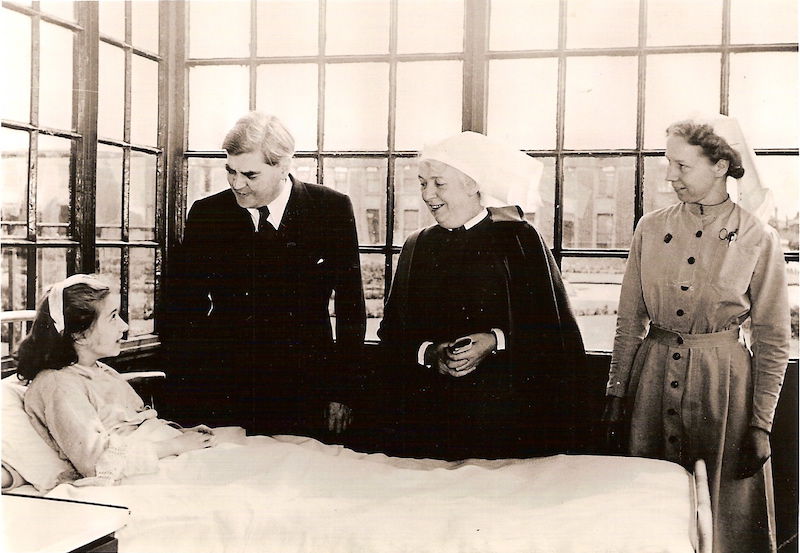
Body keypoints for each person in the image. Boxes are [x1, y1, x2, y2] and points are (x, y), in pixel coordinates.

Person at [602, 115, 791, 553]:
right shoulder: (649, 228)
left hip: (723, 391)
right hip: (650, 387)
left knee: (721, 520)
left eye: (682, 166)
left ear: (720, 165)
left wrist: (760, 424)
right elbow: (630, 321)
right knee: (647, 517)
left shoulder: (757, 238)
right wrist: (617, 394)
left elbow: (773, 338)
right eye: (669, 163)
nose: (671, 176)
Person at [377, 131, 587, 461]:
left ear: (473, 185)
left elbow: (555, 333)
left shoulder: (518, 238)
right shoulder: (417, 246)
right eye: (422, 183)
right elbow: (391, 333)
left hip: (505, 423)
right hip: (429, 425)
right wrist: (431, 354)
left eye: (438, 183)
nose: (427, 194)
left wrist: (495, 340)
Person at [161, 112, 366, 438]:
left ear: (283, 167)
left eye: (250, 175)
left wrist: (343, 392)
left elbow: (351, 309)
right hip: (224, 389)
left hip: (305, 388)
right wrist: (188, 391)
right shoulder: (207, 214)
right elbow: (185, 310)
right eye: (230, 170)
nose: (236, 184)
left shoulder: (331, 210)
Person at [16, 274, 218, 487]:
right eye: (113, 317)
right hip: (136, 477)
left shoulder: (99, 370)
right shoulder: (59, 386)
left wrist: (182, 434)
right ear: (79, 335)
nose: (124, 327)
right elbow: (97, 463)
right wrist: (176, 445)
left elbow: (131, 424)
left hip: (164, 456)